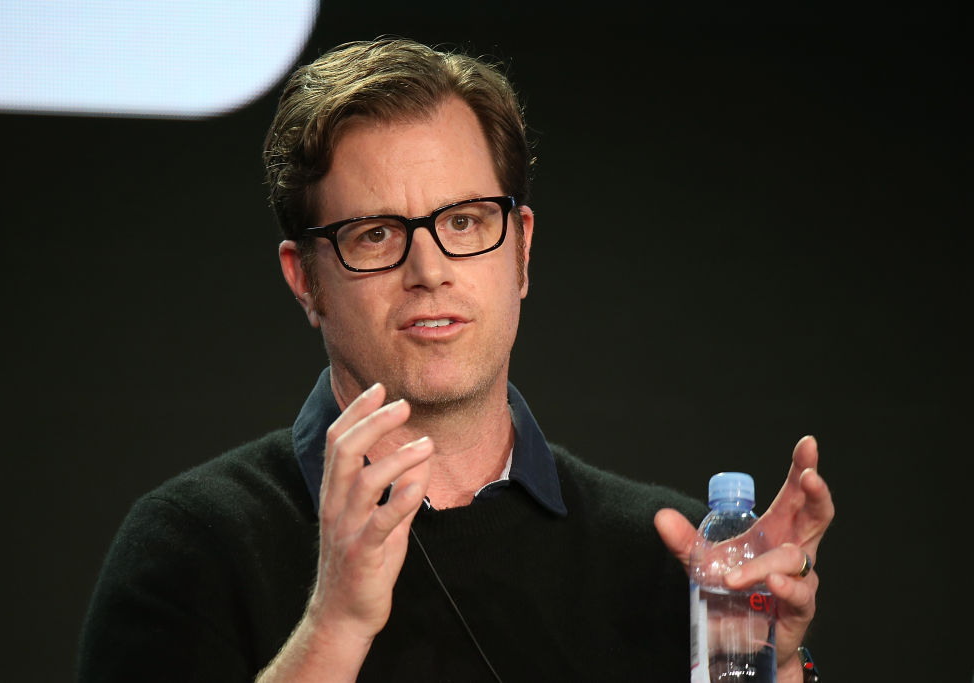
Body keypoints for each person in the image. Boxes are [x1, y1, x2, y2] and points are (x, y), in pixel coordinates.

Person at [77, 37, 834, 682]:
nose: (429, 269)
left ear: (522, 251)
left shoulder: (676, 560)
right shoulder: (191, 545)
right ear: (305, 280)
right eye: (376, 233)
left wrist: (766, 664)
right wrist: (335, 624)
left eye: (465, 222)